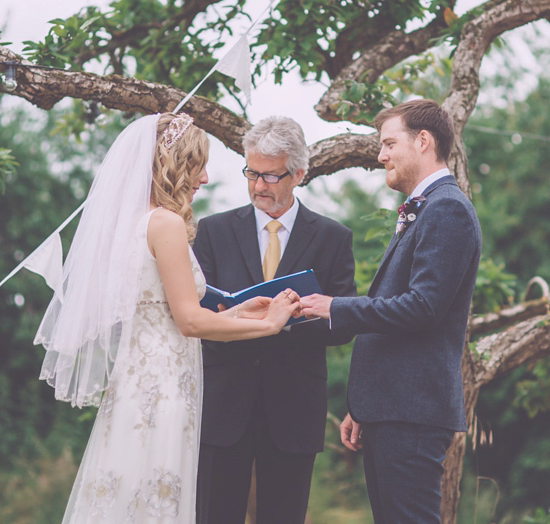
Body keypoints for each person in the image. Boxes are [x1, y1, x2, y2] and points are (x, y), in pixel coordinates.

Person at [34, 113, 301, 524]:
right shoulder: (166, 224)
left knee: (125, 488)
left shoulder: (133, 223)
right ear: (174, 164)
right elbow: (189, 322)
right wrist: (269, 324)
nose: (206, 178)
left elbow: (162, 309)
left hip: (136, 381)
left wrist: (238, 312)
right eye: (198, 165)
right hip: (164, 387)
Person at [298, 99, 481, 524]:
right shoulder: (427, 208)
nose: (380, 156)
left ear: (423, 141)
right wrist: (366, 405)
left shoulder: (447, 208)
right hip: (393, 408)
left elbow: (423, 308)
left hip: (412, 413)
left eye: (388, 143)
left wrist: (335, 307)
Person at [193, 116, 357, 524]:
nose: (257, 186)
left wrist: (294, 315)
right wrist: (240, 320)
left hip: (293, 409)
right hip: (222, 405)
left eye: (270, 175)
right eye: (251, 172)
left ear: (299, 174)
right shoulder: (211, 231)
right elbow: (197, 320)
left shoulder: (334, 237)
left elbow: (345, 323)